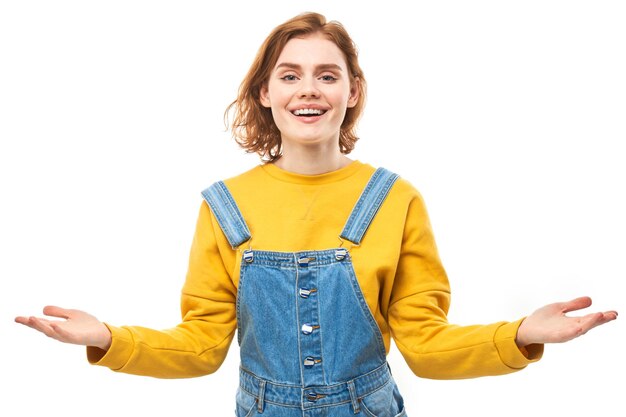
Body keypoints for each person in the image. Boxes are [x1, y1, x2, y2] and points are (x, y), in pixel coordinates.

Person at [15, 12, 617, 417]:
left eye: (327, 75)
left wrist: (522, 335)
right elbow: (200, 348)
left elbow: (427, 349)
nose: (309, 89)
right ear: (265, 93)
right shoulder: (224, 206)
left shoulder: (395, 199)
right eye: (290, 75)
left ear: (352, 91)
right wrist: (108, 340)